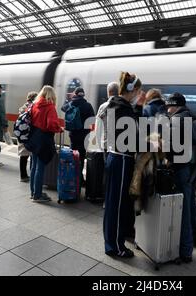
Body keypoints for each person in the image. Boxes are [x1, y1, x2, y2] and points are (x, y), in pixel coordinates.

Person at [103, 72, 145, 258]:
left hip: (115, 157)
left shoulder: (117, 105)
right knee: (117, 206)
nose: (139, 93)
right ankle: (115, 247)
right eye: (138, 90)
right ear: (132, 89)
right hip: (121, 159)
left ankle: (112, 242)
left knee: (113, 204)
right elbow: (132, 139)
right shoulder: (123, 108)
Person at [164, 92, 196, 263]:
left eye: (168, 106)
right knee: (191, 202)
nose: (167, 109)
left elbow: (170, 148)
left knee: (184, 209)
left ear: (174, 105)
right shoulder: (193, 116)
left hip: (182, 169)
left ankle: (185, 251)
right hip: (195, 168)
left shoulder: (177, 120)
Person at [26, 86, 63, 202]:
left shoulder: (35, 105)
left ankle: (33, 192)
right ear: (52, 95)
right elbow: (51, 124)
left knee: (34, 166)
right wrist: (59, 129)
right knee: (39, 168)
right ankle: (37, 195)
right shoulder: (50, 107)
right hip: (43, 140)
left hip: (33, 138)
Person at [62, 87, 95, 187]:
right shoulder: (88, 106)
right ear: (83, 95)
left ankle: (73, 177)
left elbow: (63, 108)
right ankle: (80, 180)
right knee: (81, 158)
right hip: (84, 136)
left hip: (73, 135)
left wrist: (69, 99)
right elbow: (92, 120)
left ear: (76, 94)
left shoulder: (71, 104)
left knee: (73, 157)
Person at [18, 91, 38, 182]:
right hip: (29, 134)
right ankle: (30, 174)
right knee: (31, 155)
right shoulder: (32, 107)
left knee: (24, 156)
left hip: (22, 133)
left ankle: (23, 175)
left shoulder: (23, 107)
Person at [95, 82, 119, 152]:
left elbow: (98, 127)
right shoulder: (124, 105)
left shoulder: (103, 107)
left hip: (106, 144)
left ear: (109, 92)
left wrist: (99, 145)